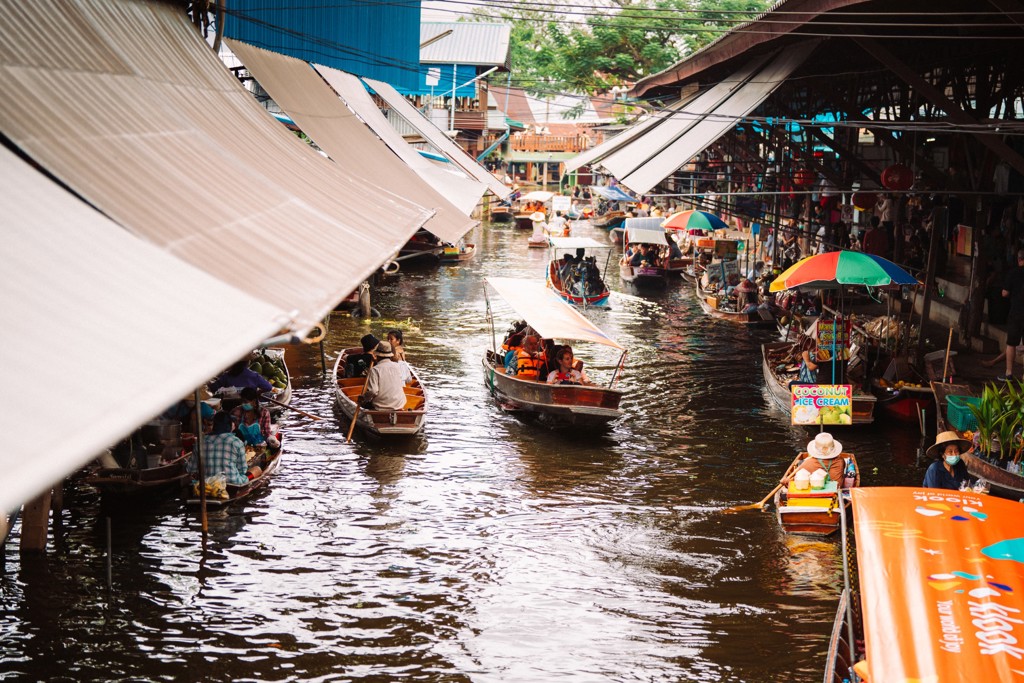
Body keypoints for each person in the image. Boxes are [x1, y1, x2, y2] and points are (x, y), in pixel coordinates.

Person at [190, 411, 251, 486]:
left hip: (207, 485)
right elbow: (243, 470)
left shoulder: (200, 441)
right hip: (232, 484)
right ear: (229, 425)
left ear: (214, 425)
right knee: (253, 472)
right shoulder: (236, 442)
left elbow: (191, 469)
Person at [781, 433, 848, 485]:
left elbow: (796, 481)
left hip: (815, 493)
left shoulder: (807, 463)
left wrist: (786, 481)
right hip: (836, 491)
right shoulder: (840, 460)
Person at [358, 341, 407, 411]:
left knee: (364, 403)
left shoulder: (375, 370)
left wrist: (364, 398)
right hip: (399, 404)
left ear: (377, 355)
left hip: (381, 406)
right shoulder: (397, 366)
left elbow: (373, 391)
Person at [999, 249, 1024, 381]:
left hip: (1016, 312)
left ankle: (1009, 373)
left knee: (1011, 344)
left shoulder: (1013, 273)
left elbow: (1004, 293)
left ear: (1019, 259)